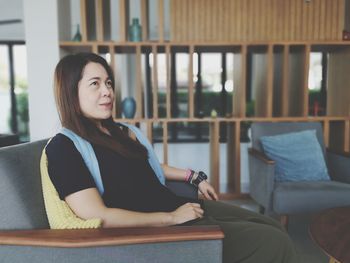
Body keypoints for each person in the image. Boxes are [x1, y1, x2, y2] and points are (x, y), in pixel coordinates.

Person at [45, 52, 299, 263]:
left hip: (177, 205)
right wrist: (171, 218)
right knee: (274, 241)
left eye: (109, 82)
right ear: (71, 92)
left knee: (271, 225)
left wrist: (194, 177)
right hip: (159, 230)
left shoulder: (121, 131)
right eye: (95, 83)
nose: (107, 91)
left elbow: (149, 167)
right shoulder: (64, 147)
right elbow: (97, 215)